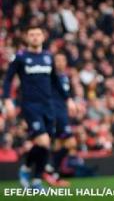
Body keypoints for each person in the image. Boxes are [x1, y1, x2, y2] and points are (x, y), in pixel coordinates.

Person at [2, 26, 66, 190]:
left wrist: (69, 99)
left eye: (38, 34)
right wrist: (7, 99)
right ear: (27, 38)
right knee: (43, 141)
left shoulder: (48, 57)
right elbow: (8, 80)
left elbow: (55, 81)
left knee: (45, 144)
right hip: (30, 105)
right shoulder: (20, 57)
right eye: (32, 35)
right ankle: (31, 175)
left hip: (48, 105)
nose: (35, 37)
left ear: (43, 37)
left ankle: (32, 175)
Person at [42, 53, 75, 187]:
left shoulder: (65, 77)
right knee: (69, 143)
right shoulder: (50, 77)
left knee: (61, 145)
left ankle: (53, 174)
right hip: (55, 114)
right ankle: (50, 170)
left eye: (63, 60)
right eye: (58, 60)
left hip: (63, 113)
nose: (60, 63)